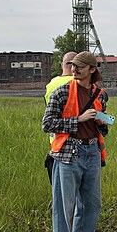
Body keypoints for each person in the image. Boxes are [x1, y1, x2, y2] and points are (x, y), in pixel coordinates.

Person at [42, 51, 109, 232]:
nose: (74, 69)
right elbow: (47, 124)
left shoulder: (101, 94)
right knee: (64, 207)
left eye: (79, 66)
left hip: (92, 152)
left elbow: (107, 122)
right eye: (72, 66)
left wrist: (102, 123)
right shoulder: (61, 93)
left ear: (92, 69)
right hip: (67, 154)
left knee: (91, 204)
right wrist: (77, 120)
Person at [44, 51, 77, 183]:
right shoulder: (78, 82)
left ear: (62, 64)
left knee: (60, 191)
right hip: (76, 142)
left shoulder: (51, 84)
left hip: (56, 143)